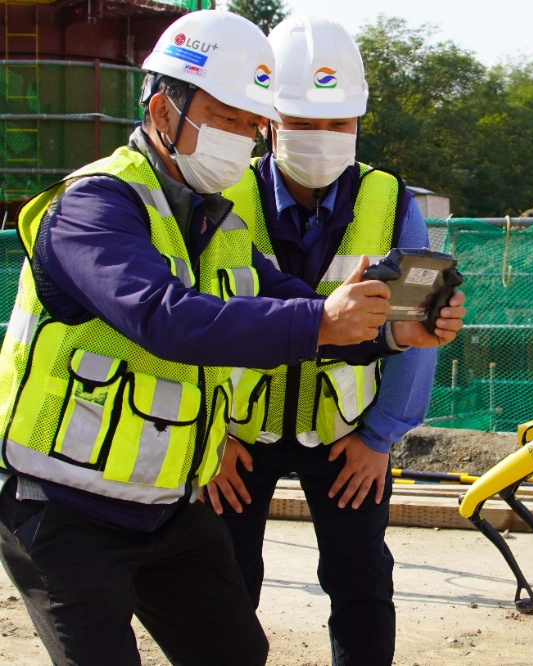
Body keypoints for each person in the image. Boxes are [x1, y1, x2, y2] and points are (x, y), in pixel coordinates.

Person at [0, 10, 459, 666]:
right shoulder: (94, 207)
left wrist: (391, 334)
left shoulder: (217, 224)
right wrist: (324, 320)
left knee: (237, 652)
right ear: (164, 113)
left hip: (165, 509)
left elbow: (297, 308)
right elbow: (165, 318)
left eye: (251, 124)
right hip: (66, 510)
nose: (244, 139)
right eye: (228, 120)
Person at [204, 16, 465, 666]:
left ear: (358, 122)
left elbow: (418, 331)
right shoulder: (220, 195)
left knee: (360, 584)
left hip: (349, 436)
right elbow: (194, 321)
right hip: (238, 437)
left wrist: (379, 439)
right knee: (223, 590)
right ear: (270, 117)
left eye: (339, 123)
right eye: (306, 121)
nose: (324, 137)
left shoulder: (392, 202)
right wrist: (210, 439)